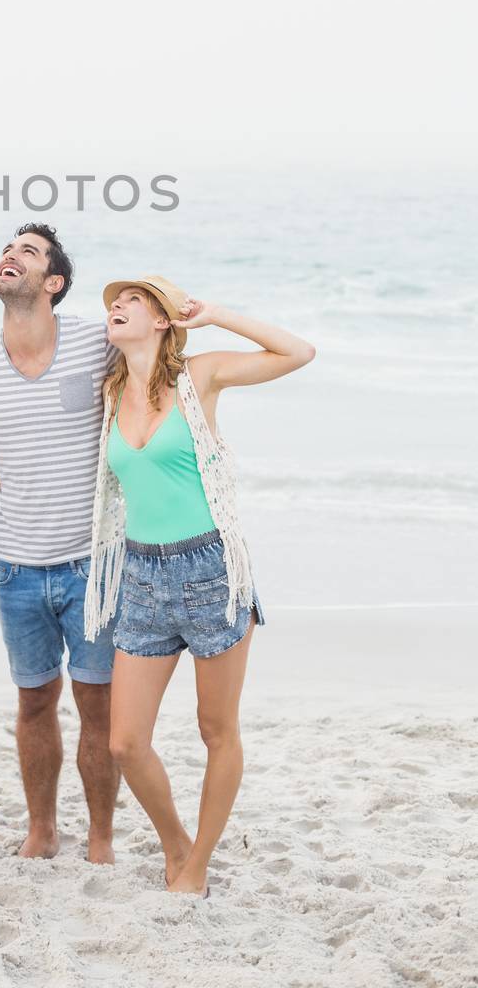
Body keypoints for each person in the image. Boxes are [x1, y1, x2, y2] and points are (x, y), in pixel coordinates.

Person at [84, 275, 315, 895]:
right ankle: (176, 844)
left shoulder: (199, 376)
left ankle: (200, 862)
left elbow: (298, 353)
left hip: (210, 570)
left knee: (217, 730)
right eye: (113, 304)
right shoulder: (109, 390)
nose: (117, 308)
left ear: (162, 320)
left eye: (132, 301)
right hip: (139, 577)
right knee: (127, 742)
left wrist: (215, 315)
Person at [0, 224, 122, 864]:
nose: (10, 255)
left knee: (97, 707)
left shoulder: (98, 344)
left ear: (55, 282)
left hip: (93, 564)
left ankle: (100, 839)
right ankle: (42, 831)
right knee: (34, 701)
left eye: (29, 252)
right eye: (8, 249)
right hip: (16, 566)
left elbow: (159, 370)